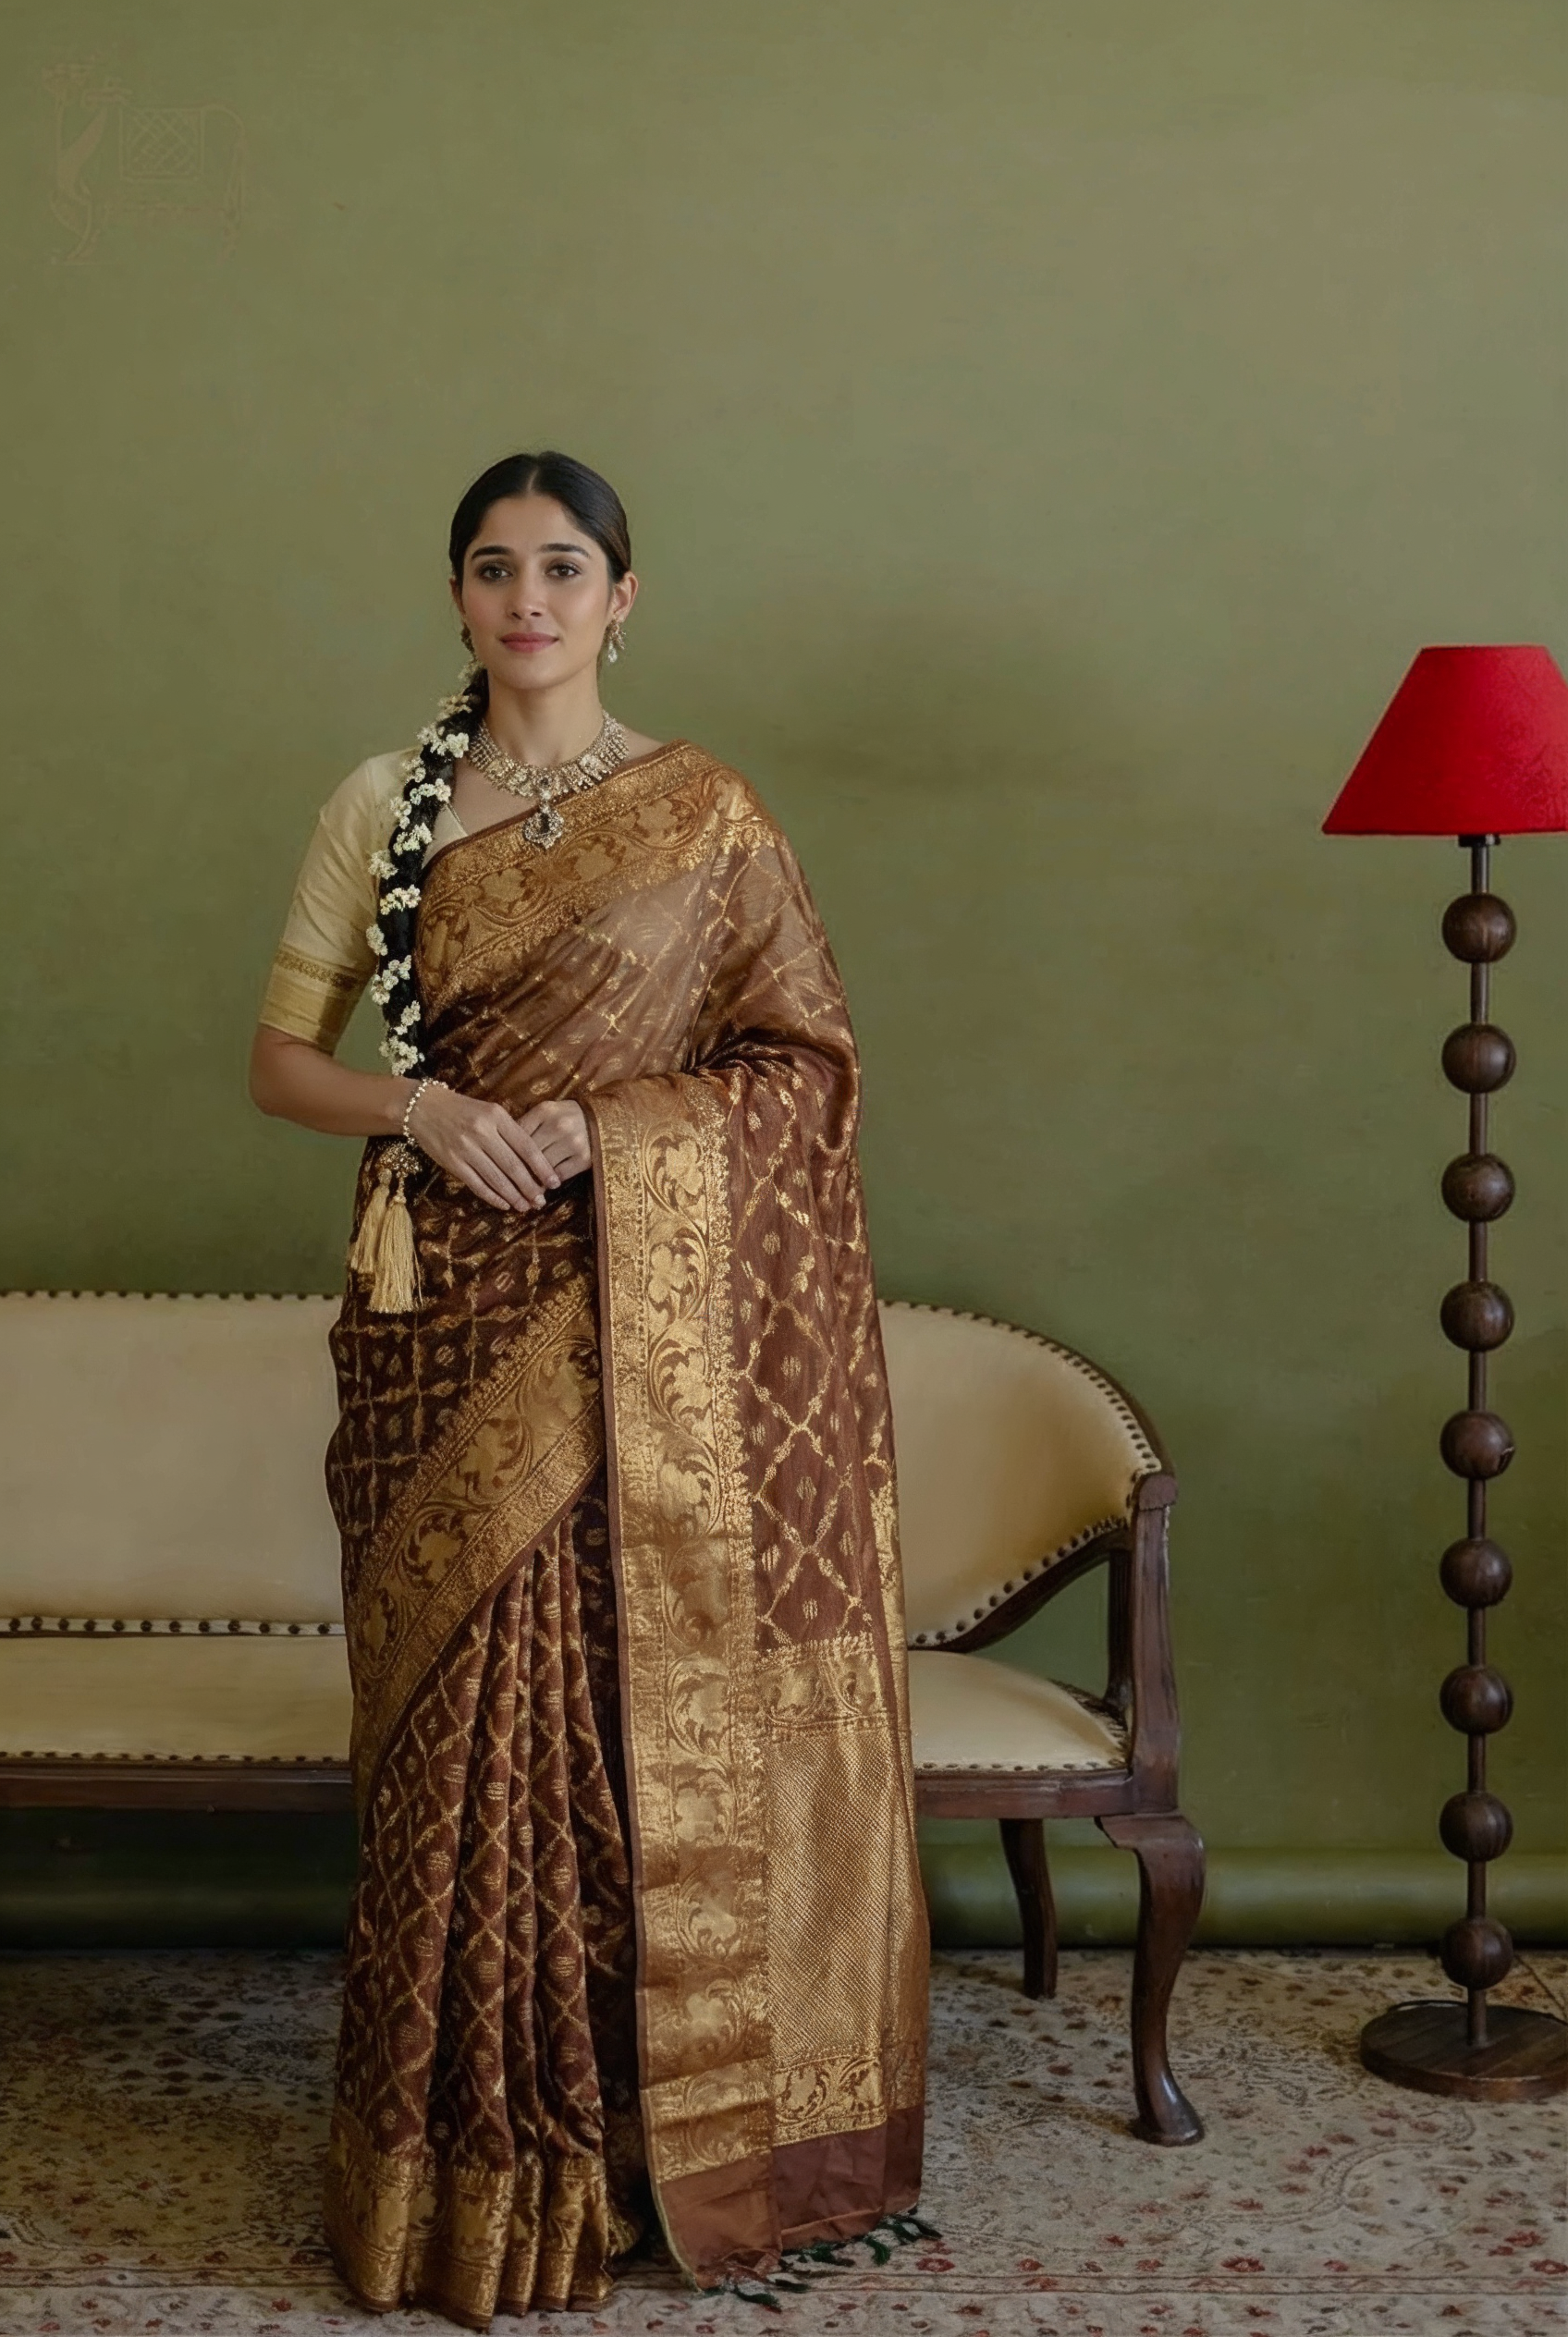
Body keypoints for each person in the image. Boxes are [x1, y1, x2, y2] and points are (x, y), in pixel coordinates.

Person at [251, 450, 929, 2328]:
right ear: (456, 597)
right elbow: (276, 1064)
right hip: (434, 1322)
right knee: (459, 1735)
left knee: (630, 1726)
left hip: (644, 1322)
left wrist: (609, 1128)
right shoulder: (382, 802)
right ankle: (461, 2159)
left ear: (624, 595)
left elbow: (804, 1065)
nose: (526, 596)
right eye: (492, 567)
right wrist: (427, 1103)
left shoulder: (703, 813)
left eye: (563, 566)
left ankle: (637, 2143)